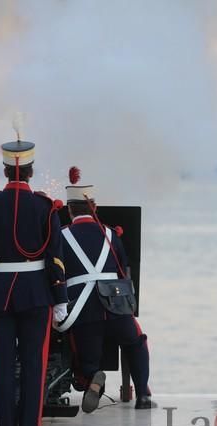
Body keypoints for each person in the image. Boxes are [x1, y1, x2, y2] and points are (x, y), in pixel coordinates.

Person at [0, 136, 68, 426]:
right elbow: (54, 257)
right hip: (36, 294)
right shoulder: (44, 206)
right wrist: (61, 298)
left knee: (2, 365)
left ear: (5, 170)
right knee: (33, 365)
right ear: (31, 170)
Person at [57, 169, 156, 412]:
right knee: (136, 341)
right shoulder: (111, 233)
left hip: (82, 312)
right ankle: (142, 395)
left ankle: (93, 379)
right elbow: (123, 268)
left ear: (70, 210)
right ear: (94, 207)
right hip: (115, 307)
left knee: (85, 358)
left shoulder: (61, 236)